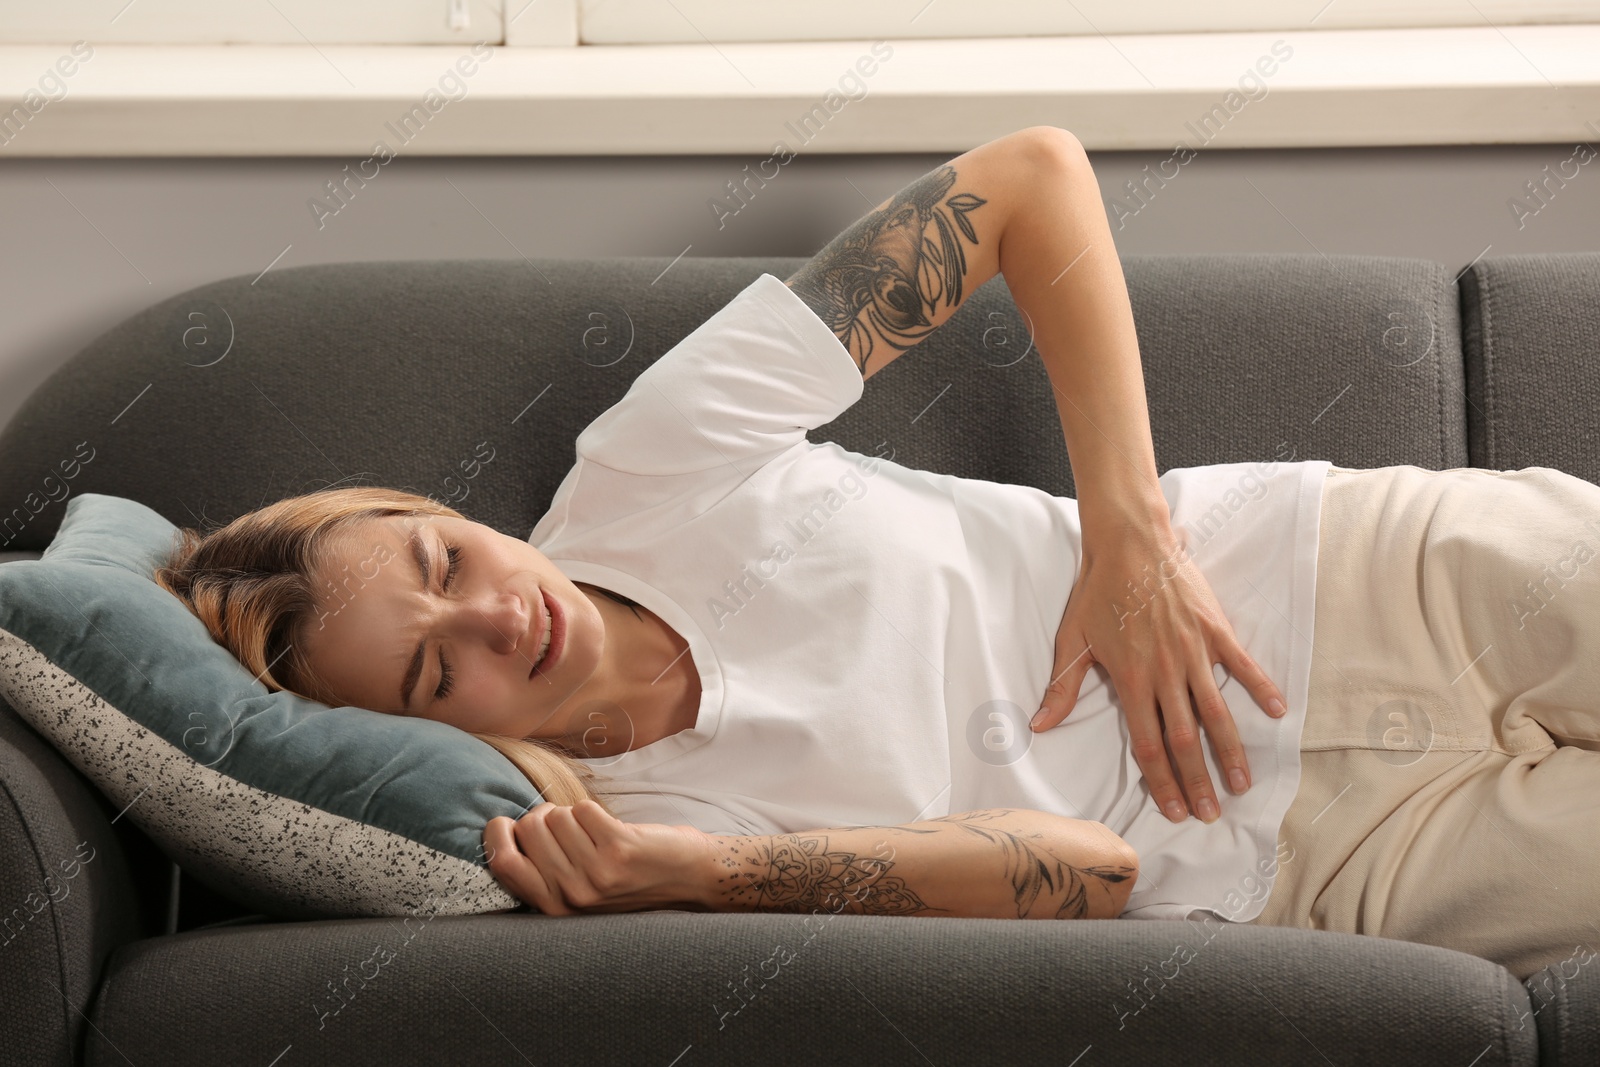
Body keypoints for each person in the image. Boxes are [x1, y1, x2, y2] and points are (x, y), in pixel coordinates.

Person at [154, 126, 1600, 979]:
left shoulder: (651, 466)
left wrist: (1128, 538)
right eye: (429, 674)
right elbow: (1087, 873)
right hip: (1318, 867)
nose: (494, 615)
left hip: (1359, 581)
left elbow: (1031, 179)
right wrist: (704, 883)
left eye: (444, 557)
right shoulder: (653, 841)